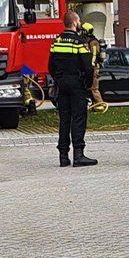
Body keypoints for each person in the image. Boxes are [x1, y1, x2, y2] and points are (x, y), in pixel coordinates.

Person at [48, 11, 97, 168]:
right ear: (75, 22)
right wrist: (87, 84)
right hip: (77, 84)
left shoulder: (57, 41)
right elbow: (88, 67)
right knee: (78, 118)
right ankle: (78, 154)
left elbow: (51, 66)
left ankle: (63, 155)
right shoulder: (79, 42)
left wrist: (58, 79)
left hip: (62, 84)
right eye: (79, 20)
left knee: (65, 119)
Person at [79, 20, 107, 110]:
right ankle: (93, 104)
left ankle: (101, 104)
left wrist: (91, 67)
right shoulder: (87, 41)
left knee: (94, 88)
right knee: (89, 88)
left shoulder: (93, 42)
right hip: (90, 67)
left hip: (93, 68)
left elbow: (94, 55)